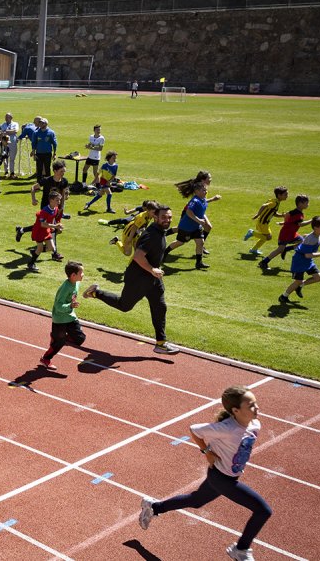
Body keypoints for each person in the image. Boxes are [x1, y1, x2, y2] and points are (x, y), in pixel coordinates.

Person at [138, 386, 270, 561]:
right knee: (263, 511)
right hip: (222, 479)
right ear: (236, 411)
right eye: (251, 405)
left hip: (225, 475)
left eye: (256, 403)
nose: (257, 407)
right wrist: (207, 450)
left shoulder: (255, 424)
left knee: (196, 501)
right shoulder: (226, 428)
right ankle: (241, 549)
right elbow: (194, 429)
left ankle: (154, 507)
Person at [83, 204, 180, 354]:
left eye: (169, 217)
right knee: (125, 306)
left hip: (153, 279)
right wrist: (153, 269)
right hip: (138, 278)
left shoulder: (160, 231)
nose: (167, 220)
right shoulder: (151, 234)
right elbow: (138, 256)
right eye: (164, 217)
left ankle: (161, 343)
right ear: (155, 217)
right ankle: (96, 292)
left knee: (160, 307)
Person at [39, 261, 88, 370]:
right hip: (60, 319)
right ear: (73, 275)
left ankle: (59, 337)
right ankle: (46, 358)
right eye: (81, 273)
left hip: (70, 317)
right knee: (59, 343)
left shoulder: (77, 282)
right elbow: (58, 306)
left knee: (80, 339)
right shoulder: (65, 288)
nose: (83, 275)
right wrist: (70, 305)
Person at [279, 216, 320, 304]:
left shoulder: (317, 235)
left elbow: (307, 238)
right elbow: (307, 255)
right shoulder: (312, 239)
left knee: (318, 277)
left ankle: (300, 286)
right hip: (299, 261)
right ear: (316, 228)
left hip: (307, 261)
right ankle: (283, 296)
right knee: (298, 281)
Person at [166, 180, 213, 270]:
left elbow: (201, 211)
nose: (206, 191)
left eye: (206, 190)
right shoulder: (194, 201)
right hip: (186, 227)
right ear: (197, 191)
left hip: (196, 227)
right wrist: (199, 220)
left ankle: (199, 263)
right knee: (180, 242)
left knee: (200, 242)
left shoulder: (203, 200)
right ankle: (165, 252)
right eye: (203, 190)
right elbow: (188, 211)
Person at [259, 194, 309, 270]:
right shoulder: (299, 214)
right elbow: (300, 224)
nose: (308, 205)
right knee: (279, 249)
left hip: (291, 233)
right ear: (300, 203)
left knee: (302, 241)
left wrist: (284, 223)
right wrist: (311, 221)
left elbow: (287, 215)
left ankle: (286, 249)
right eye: (306, 203)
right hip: (286, 234)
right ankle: (264, 262)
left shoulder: (294, 212)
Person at [26, 191, 64, 271]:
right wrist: (55, 226)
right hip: (39, 231)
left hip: (46, 230)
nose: (59, 202)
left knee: (51, 248)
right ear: (51, 200)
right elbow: (42, 224)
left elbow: (52, 219)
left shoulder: (55, 209)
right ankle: (31, 264)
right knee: (40, 248)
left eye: (59, 200)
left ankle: (35, 252)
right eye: (57, 200)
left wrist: (55, 226)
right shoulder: (45, 211)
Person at [244, 187, 286, 256]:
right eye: (285, 194)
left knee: (265, 237)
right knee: (268, 237)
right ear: (279, 195)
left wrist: (282, 215)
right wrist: (258, 214)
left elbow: (274, 213)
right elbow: (264, 205)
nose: (287, 196)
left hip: (264, 223)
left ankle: (254, 249)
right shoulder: (274, 203)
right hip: (263, 223)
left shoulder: (275, 201)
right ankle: (252, 233)